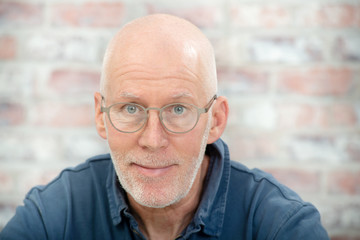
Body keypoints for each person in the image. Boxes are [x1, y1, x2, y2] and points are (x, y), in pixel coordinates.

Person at [0, 14, 329, 240]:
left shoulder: (280, 227)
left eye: (178, 109)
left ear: (215, 120)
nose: (153, 140)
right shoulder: (54, 216)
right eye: (131, 108)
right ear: (101, 116)